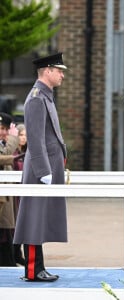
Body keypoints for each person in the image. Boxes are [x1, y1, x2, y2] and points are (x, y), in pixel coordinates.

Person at [13, 52, 68, 282]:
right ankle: (33, 270)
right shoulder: (37, 97)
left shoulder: (45, 95)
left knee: (41, 218)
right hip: (40, 169)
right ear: (47, 71)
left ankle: (38, 267)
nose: (62, 74)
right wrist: (44, 171)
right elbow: (35, 139)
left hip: (46, 167)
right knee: (35, 219)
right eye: (59, 70)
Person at [0, 112, 19, 266]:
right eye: (2, 128)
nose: (5, 132)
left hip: (6, 196)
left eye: (7, 129)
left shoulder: (3, 143)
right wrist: (13, 137)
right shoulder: (6, 144)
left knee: (6, 232)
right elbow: (5, 155)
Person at [12, 123, 27, 265]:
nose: (23, 138)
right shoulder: (14, 153)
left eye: (25, 136)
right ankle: (15, 253)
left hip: (24, 193)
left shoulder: (29, 153)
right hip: (15, 193)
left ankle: (19, 252)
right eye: (21, 135)